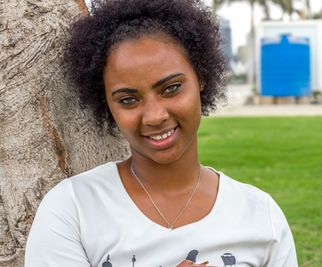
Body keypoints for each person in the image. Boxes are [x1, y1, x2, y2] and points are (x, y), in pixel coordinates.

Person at [25, 0, 298, 266]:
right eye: (128, 100)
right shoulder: (73, 209)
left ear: (200, 77)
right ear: (106, 103)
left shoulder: (261, 215)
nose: (155, 116)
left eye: (171, 88)